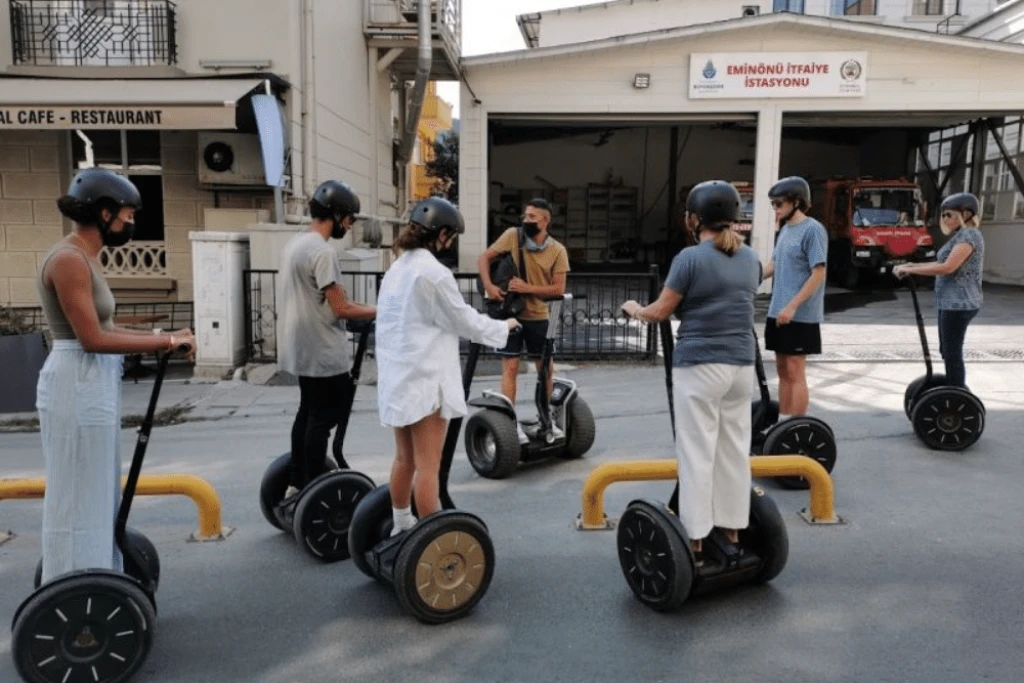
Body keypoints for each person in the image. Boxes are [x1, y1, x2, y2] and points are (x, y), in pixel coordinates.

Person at [35, 168, 196, 585]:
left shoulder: (86, 258)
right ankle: (73, 587)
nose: (131, 224)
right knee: (78, 495)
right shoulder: (69, 260)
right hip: (76, 379)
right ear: (103, 212)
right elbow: (91, 339)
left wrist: (166, 336)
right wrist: (164, 344)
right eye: (127, 215)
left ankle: (98, 576)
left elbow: (108, 327)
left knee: (98, 493)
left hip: (91, 380)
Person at [620, 180, 761, 560]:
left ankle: (695, 540)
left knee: (697, 453)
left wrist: (634, 308)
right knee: (732, 452)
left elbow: (660, 311)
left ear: (694, 219)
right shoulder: (751, 258)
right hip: (741, 367)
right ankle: (731, 534)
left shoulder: (689, 258)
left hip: (699, 366)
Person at [377, 197, 520, 535]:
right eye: (451, 235)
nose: (451, 242)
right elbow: (462, 319)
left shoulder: (396, 270)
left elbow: (393, 317)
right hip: (426, 381)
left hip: (399, 377)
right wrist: (503, 327)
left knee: (404, 460)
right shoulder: (434, 274)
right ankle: (432, 540)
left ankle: (402, 526)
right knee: (429, 468)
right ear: (440, 233)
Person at [276, 180, 377, 519]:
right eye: (348, 219)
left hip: (300, 346)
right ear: (335, 215)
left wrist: (370, 307)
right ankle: (312, 484)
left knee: (307, 414)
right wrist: (384, 311)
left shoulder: (295, 245)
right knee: (323, 420)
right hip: (323, 349)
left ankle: (296, 481)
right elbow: (341, 309)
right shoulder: (322, 252)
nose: (349, 226)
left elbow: (336, 300)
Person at [477, 198, 570, 444]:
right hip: (511, 315)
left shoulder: (558, 251)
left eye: (532, 217)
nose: (527, 220)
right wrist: (489, 286)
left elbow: (558, 289)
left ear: (546, 220)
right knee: (510, 368)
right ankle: (509, 423)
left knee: (545, 370)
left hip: (539, 316)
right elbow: (484, 258)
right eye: (525, 216)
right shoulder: (512, 236)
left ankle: (547, 418)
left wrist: (525, 287)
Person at [893, 192, 984, 387]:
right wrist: (910, 266)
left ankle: (957, 394)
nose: (945, 219)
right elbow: (941, 261)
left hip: (959, 303)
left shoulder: (969, 235)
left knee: (952, 352)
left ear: (966, 214)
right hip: (951, 302)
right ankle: (953, 390)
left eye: (949, 214)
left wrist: (911, 270)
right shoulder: (960, 236)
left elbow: (947, 267)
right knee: (948, 351)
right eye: (943, 215)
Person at [760, 176, 827, 420]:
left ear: (797, 202)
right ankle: (783, 422)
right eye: (773, 204)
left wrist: (792, 306)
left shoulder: (813, 229)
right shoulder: (786, 230)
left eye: (778, 203)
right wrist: (750, 279)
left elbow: (818, 272)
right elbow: (775, 263)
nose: (775, 209)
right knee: (782, 370)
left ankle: (796, 427)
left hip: (799, 314)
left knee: (795, 370)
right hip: (778, 311)